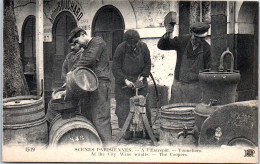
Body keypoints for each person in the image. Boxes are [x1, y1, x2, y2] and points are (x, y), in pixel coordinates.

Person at [67, 27, 112, 144]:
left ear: (83, 35)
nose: (77, 45)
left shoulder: (98, 42)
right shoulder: (87, 48)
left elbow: (90, 59)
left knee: (100, 117)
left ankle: (109, 148)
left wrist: (72, 70)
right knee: (89, 115)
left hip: (101, 84)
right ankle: (96, 144)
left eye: (77, 42)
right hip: (91, 85)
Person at [157, 22, 211, 103]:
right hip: (179, 86)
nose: (199, 41)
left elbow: (208, 71)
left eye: (202, 39)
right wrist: (167, 34)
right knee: (176, 111)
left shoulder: (207, 48)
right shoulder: (182, 41)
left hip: (196, 88)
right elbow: (162, 46)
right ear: (191, 33)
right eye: (196, 38)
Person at [112, 29, 151, 140]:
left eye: (136, 43)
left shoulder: (143, 47)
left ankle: (144, 130)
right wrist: (125, 80)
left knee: (143, 106)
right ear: (127, 42)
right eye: (131, 44)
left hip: (140, 80)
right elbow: (115, 67)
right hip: (124, 83)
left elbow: (148, 63)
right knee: (123, 107)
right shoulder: (120, 48)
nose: (134, 46)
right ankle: (127, 131)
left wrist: (143, 76)